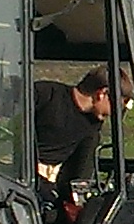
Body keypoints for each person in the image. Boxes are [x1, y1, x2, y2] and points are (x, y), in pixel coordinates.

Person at [30, 66, 117, 210]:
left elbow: (81, 173)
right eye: (116, 105)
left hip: (51, 189)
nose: (113, 113)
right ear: (102, 93)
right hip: (21, 183)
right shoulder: (45, 94)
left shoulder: (92, 127)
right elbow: (2, 103)